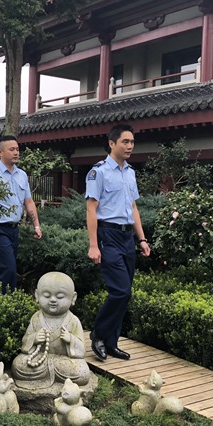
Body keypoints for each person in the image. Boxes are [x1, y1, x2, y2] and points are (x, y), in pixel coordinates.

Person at [86, 124, 151, 361]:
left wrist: (141, 239)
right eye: (125, 141)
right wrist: (93, 245)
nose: (130, 146)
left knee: (126, 292)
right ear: (112, 143)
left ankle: (111, 343)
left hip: (126, 237)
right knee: (120, 290)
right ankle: (99, 333)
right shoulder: (99, 172)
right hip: (108, 235)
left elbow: (133, 208)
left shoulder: (130, 172)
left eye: (132, 142)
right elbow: (91, 209)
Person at [11, 271, 91, 389]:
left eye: (60, 297)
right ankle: (51, 376)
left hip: (64, 362)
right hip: (39, 359)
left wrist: (71, 339)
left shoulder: (73, 321)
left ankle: (47, 375)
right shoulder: (36, 318)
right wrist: (34, 338)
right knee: (18, 364)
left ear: (73, 298)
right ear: (37, 295)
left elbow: (81, 350)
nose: (53, 300)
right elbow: (25, 342)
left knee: (82, 372)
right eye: (47, 296)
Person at [0, 135, 42, 293]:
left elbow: (28, 202)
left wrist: (36, 225)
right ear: (1, 152)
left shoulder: (22, 175)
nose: (16, 152)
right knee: (9, 267)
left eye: (17, 149)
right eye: (11, 149)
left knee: (5, 267)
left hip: (14, 229)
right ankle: (5, 299)